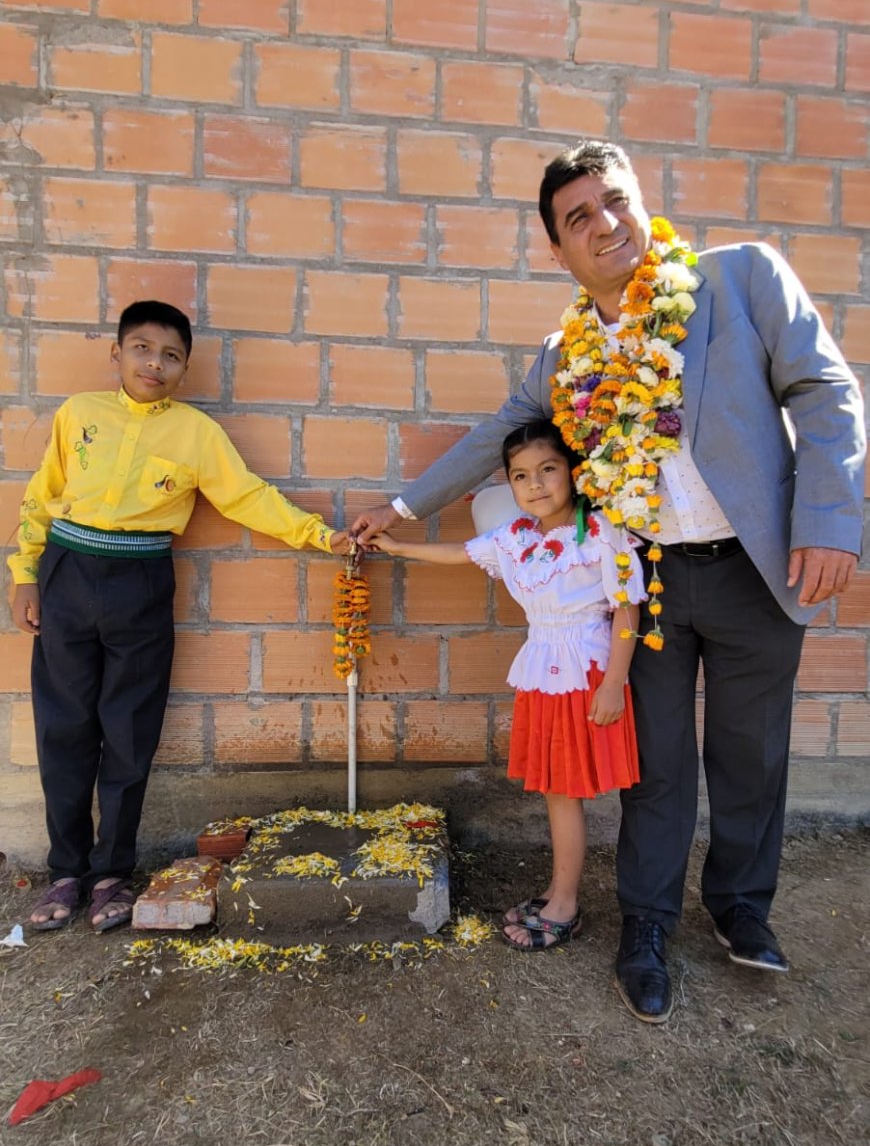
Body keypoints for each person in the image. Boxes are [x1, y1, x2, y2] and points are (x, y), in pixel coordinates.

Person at [353, 139, 865, 1023]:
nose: (605, 223)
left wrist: (829, 519)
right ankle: (648, 927)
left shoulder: (740, 279)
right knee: (655, 765)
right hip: (646, 585)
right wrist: (401, 507)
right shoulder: (565, 355)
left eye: (614, 200)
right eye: (578, 216)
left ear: (642, 202)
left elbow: (824, 391)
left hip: (755, 569)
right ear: (557, 250)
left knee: (751, 755)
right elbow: (493, 436)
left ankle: (741, 909)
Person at [8, 300, 348, 934]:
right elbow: (42, 493)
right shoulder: (78, 414)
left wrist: (318, 536)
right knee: (63, 729)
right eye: (141, 348)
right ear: (117, 353)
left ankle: (112, 872)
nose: (154, 363)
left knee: (130, 733)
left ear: (185, 368)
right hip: (67, 572)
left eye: (170, 355)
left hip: (140, 583)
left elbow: (246, 495)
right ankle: (65, 870)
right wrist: (25, 573)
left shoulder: (195, 433)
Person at [373, 419, 644, 950]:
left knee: (565, 791)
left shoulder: (601, 530)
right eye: (521, 476)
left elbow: (627, 610)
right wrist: (397, 549)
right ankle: (558, 889)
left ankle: (565, 904)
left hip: (583, 673)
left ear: (572, 472)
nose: (536, 485)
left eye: (548, 470)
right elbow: (461, 552)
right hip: (542, 670)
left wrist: (615, 682)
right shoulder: (516, 538)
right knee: (553, 788)